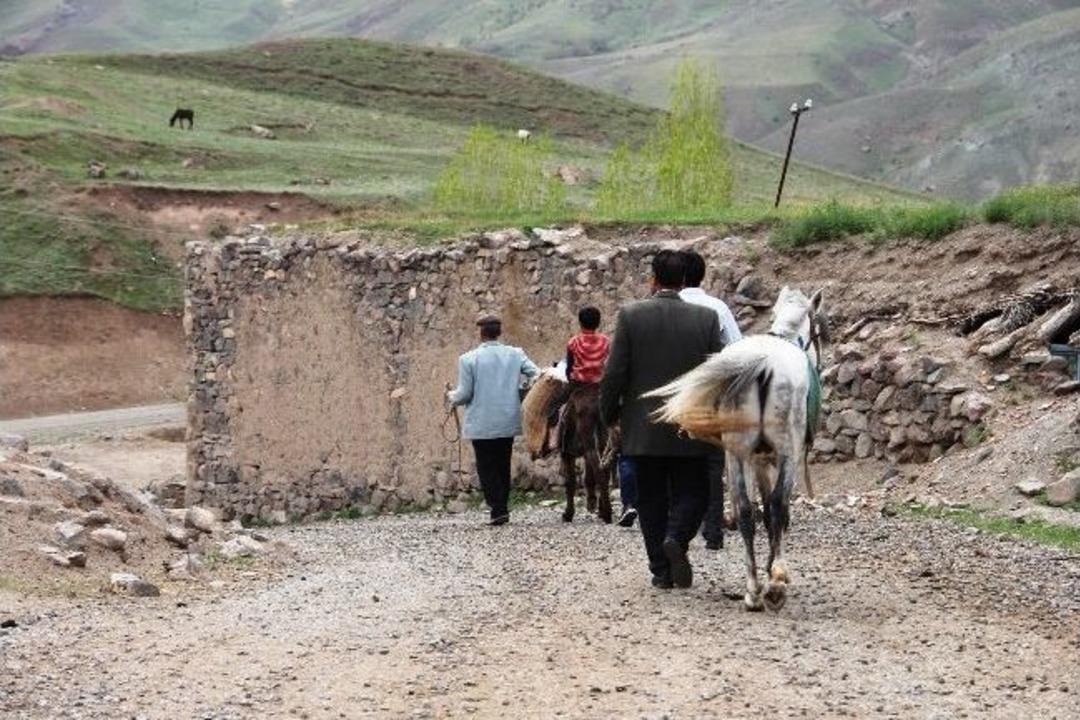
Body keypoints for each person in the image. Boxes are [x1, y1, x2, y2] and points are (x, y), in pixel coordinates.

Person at [600, 250, 723, 589]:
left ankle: (660, 569)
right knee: (695, 492)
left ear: (653, 280)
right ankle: (677, 538)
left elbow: (615, 373)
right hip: (692, 425)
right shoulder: (707, 318)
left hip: (644, 429)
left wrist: (609, 414)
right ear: (685, 281)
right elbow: (718, 372)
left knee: (650, 498)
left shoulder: (630, 316)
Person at [448, 313, 540, 526]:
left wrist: (450, 397)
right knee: (502, 464)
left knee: (486, 466)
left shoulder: (468, 359)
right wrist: (521, 387)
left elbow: (464, 394)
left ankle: (497, 508)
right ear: (499, 332)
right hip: (508, 419)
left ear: (481, 333)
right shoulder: (516, 355)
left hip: (481, 423)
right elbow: (536, 374)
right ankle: (502, 507)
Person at [679, 250, 742, 550]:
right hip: (712, 395)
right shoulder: (718, 307)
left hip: (676, 396)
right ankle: (713, 531)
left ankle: (676, 531)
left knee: (673, 465)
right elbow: (738, 350)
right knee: (712, 464)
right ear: (702, 276)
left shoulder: (668, 308)